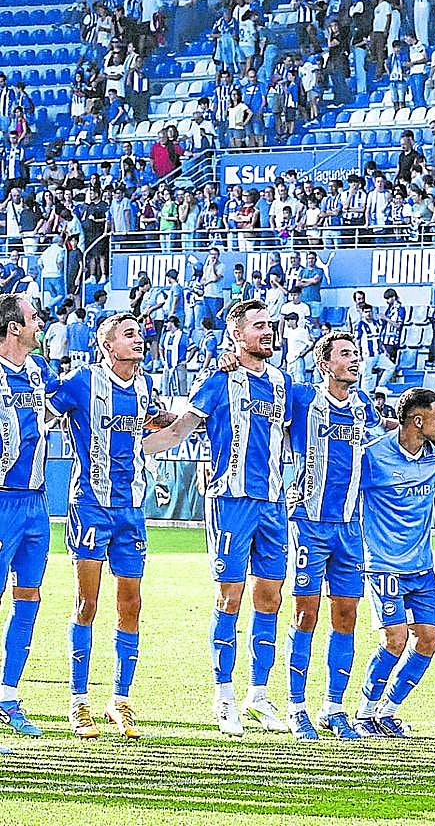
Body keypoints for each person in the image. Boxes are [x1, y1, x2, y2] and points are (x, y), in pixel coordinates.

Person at [143, 300, 292, 737]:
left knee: (270, 598)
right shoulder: (218, 381)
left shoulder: (283, 384)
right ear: (236, 335)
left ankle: (258, 695)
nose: (268, 331)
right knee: (230, 598)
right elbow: (177, 431)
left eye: (270, 325)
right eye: (258, 326)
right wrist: (132, 453)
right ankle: (223, 696)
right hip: (230, 501)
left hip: (273, 503)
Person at [50, 314, 168, 740]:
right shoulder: (82, 382)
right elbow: (43, 412)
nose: (139, 340)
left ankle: (120, 700)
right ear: (107, 345)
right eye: (129, 335)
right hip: (90, 506)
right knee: (87, 602)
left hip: (131, 510)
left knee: (131, 604)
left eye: (140, 334)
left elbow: (153, 420)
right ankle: (78, 701)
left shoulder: (144, 385)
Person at [282, 333, 381, 741]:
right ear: (324, 365)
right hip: (309, 522)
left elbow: (388, 438)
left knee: (347, 615)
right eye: (345, 354)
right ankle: (296, 707)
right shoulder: (302, 398)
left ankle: (333, 707)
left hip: (350, 527)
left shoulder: (364, 407)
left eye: (356, 354)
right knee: (305, 614)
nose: (354, 360)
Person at [354, 387, 435, 738]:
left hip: (421, 566)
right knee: (394, 639)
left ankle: (388, 712)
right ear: (418, 420)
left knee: (428, 640)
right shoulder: (373, 456)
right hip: (383, 564)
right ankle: (364, 714)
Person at [0, 294, 56, 738]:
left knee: (28, 598)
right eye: (33, 317)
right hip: (2, 501)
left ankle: (8, 696)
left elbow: (83, 394)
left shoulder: (39, 372)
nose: (40, 322)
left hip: (36, 504)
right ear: (13, 327)